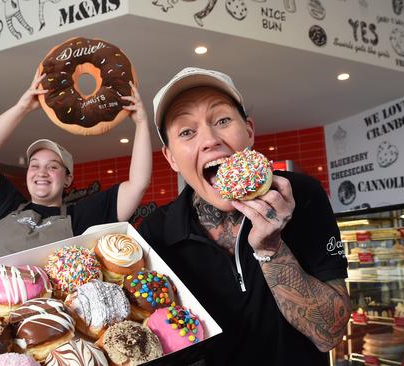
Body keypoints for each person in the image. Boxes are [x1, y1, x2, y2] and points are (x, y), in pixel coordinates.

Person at [138, 67, 351, 365]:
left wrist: (272, 250)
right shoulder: (155, 233)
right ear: (171, 157)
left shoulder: (300, 194)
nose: (211, 139)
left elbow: (330, 334)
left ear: (249, 131)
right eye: (187, 131)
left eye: (222, 120)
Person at [0, 73, 152, 261]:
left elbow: (137, 184)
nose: (41, 172)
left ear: (68, 178)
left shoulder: (82, 218)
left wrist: (141, 123)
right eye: (35, 165)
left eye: (53, 167)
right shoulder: (3, 205)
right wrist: (22, 108)